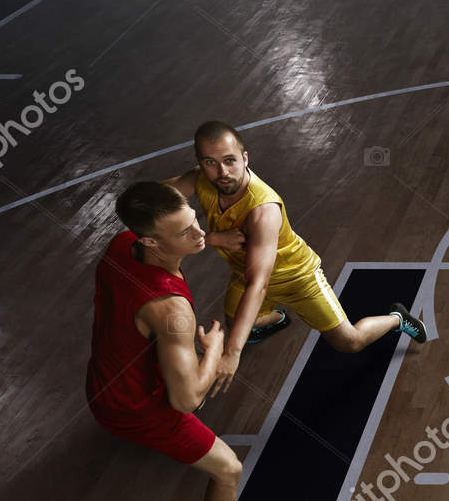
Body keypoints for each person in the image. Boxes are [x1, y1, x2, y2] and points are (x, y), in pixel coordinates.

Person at [86, 182, 274, 501]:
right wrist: (217, 353)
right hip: (136, 410)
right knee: (230, 470)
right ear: (153, 243)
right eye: (186, 231)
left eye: (195, 220)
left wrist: (210, 236)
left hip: (102, 381)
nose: (199, 232)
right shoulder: (172, 311)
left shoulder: (123, 243)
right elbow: (185, 400)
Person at [163, 121, 429, 396]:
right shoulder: (201, 180)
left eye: (230, 161)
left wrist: (232, 353)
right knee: (237, 323)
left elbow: (259, 284)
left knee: (350, 342)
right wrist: (214, 238)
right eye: (210, 162)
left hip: (295, 277)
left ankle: (398, 318)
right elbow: (152, 199)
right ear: (200, 162)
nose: (222, 172)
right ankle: (278, 318)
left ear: (244, 158)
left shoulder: (263, 210)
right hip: (247, 272)